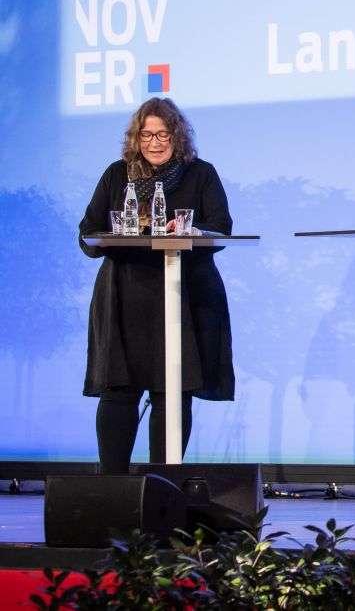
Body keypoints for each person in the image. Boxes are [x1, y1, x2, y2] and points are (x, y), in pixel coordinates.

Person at [78, 97, 235, 473]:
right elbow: (87, 234)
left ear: (177, 136)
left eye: (163, 133)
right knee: (118, 389)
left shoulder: (201, 174)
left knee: (173, 392)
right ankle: (111, 487)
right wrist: (117, 234)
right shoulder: (117, 174)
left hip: (183, 295)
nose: (154, 142)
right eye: (146, 134)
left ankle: (163, 490)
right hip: (124, 297)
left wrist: (186, 231)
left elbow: (222, 229)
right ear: (136, 137)